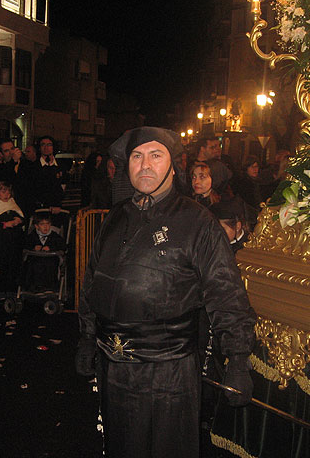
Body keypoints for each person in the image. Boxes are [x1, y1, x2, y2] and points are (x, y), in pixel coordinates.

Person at [76, 126, 256, 458]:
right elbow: (92, 283)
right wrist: (87, 336)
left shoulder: (198, 222)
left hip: (168, 373)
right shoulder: (114, 219)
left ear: (172, 166)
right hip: (113, 368)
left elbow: (226, 293)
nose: (145, 165)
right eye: (137, 156)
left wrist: (238, 359)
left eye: (155, 156)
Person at [0, 182, 24, 295]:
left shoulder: (13, 204)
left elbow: (22, 218)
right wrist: (5, 225)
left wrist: (19, 221)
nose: (7, 194)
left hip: (14, 240)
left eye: (8, 191)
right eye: (3, 192)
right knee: (1, 264)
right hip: (1, 241)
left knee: (13, 263)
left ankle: (12, 288)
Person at [23, 212, 67, 292]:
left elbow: (63, 246)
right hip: (35, 259)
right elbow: (25, 245)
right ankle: (34, 287)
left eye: (47, 224)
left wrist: (51, 248)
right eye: (42, 224)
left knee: (50, 266)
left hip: (51, 259)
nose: (45, 226)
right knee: (32, 265)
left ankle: (49, 288)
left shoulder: (55, 236)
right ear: (36, 226)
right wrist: (33, 247)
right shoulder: (32, 236)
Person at [34, 136, 64, 210]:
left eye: (49, 145)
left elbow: (63, 187)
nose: (46, 147)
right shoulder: (33, 167)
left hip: (57, 208)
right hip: (39, 208)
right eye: (43, 144)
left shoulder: (61, 166)